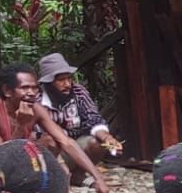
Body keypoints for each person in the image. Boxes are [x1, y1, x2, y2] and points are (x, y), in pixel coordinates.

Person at [0, 63, 110, 193]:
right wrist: (21, 125)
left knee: (50, 141)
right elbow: (0, 157)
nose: (31, 93)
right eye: (24, 88)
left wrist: (98, 177)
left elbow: (67, 142)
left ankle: (20, 189)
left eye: (34, 88)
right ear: (7, 91)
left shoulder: (36, 109)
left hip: (10, 171)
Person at [35, 53, 122, 185]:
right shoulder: (37, 100)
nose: (67, 84)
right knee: (49, 141)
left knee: (98, 143)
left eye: (69, 78)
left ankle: (78, 175)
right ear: (48, 83)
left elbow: (93, 119)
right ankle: (53, 178)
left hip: (77, 147)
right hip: (52, 154)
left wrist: (107, 138)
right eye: (61, 80)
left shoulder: (78, 92)